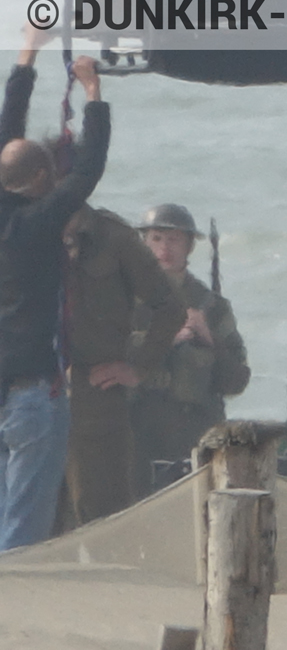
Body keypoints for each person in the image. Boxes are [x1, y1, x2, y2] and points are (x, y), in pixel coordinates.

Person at [0, 36, 108, 551]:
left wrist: (27, 56)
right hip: (31, 396)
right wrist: (94, 95)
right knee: (22, 533)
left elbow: (8, 133)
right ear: (43, 177)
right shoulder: (39, 224)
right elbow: (86, 172)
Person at [61, 200, 187, 524]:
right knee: (38, 520)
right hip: (30, 391)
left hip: (96, 395)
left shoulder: (111, 237)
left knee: (105, 514)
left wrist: (138, 367)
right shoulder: (21, 226)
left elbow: (170, 308)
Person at [130, 204, 251, 493]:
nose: (165, 248)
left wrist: (209, 338)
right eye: (156, 238)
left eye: (174, 240)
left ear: (188, 246)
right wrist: (166, 338)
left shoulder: (212, 307)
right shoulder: (126, 298)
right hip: (137, 431)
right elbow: (106, 355)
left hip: (195, 433)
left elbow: (236, 380)